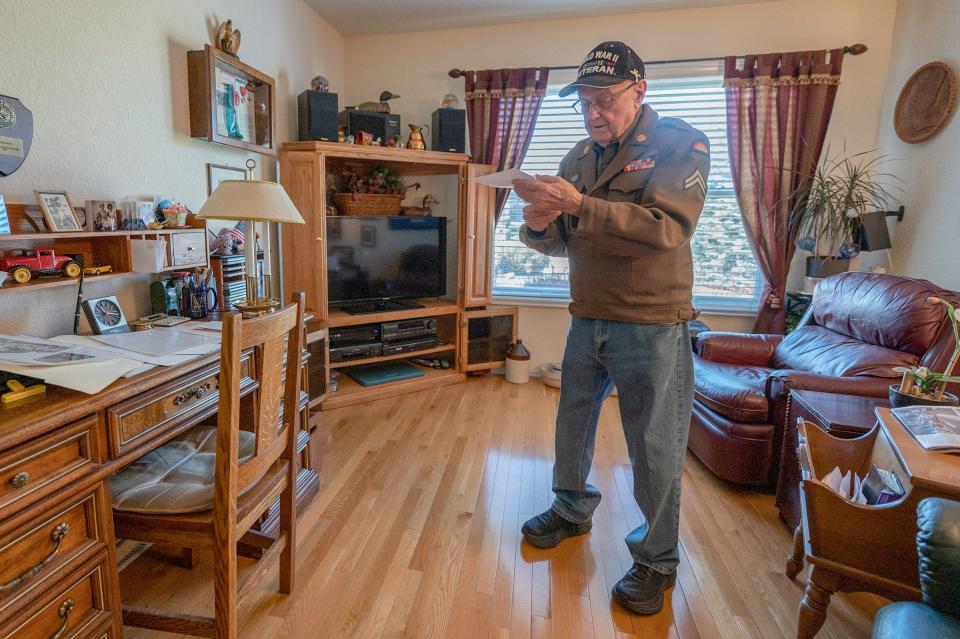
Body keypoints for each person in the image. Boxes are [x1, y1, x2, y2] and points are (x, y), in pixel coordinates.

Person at [512, 41, 710, 616]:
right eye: (585, 103)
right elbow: (562, 242)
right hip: (586, 314)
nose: (594, 113)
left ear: (639, 91)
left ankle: (656, 559)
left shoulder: (682, 143)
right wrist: (539, 222)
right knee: (572, 421)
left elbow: (668, 227)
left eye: (605, 100)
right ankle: (571, 508)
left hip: (651, 322)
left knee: (653, 443)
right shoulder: (578, 156)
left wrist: (579, 204)